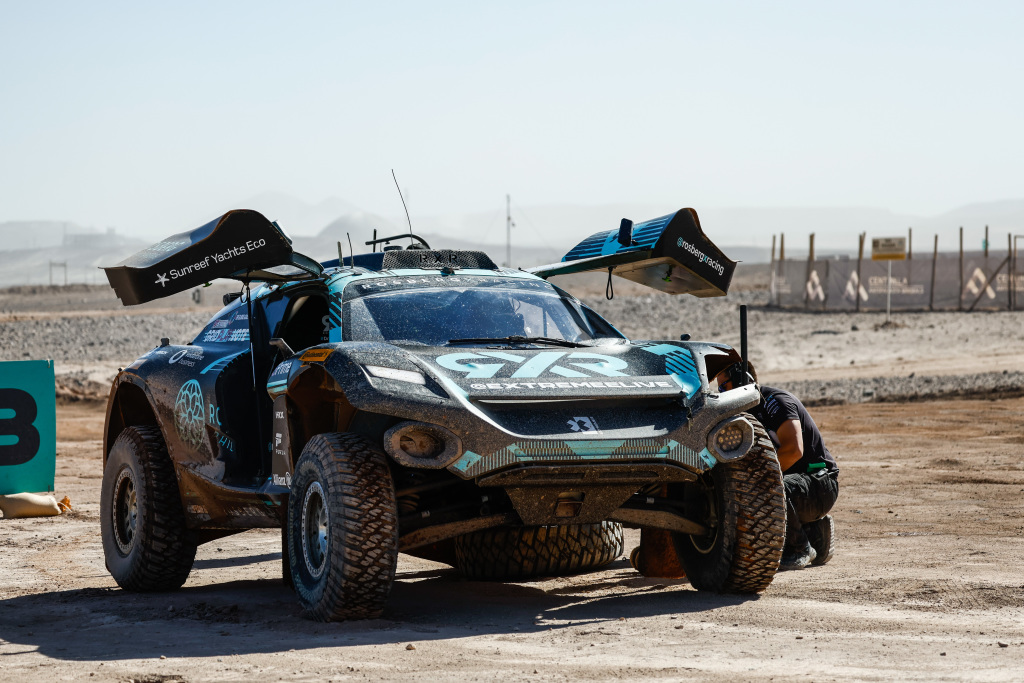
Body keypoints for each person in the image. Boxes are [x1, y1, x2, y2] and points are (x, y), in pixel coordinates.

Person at [718, 361, 839, 570]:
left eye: (723, 387)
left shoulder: (775, 403)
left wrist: (757, 481)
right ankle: (814, 533)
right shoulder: (748, 411)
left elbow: (794, 451)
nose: (721, 394)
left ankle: (799, 548)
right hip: (799, 486)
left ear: (741, 380)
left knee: (765, 487)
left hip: (819, 483)